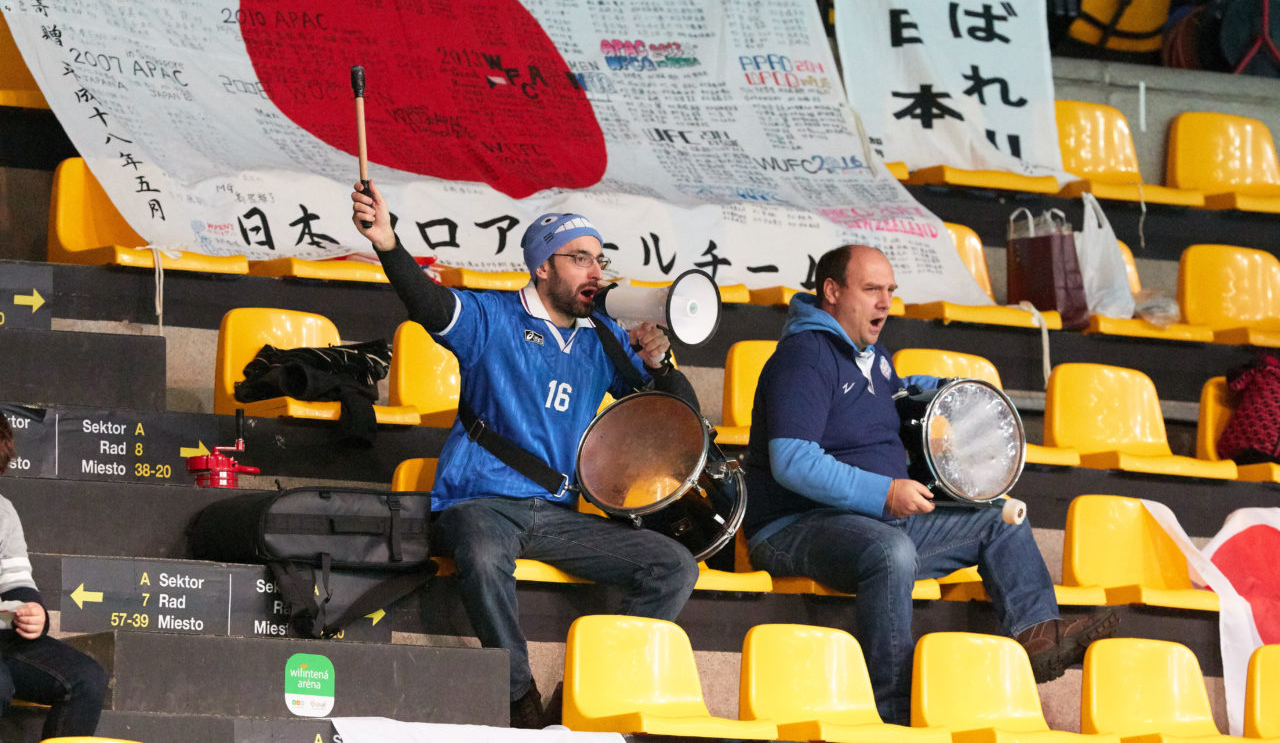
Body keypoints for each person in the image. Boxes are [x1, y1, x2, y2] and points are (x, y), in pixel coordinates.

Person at [351, 182, 700, 729]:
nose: (595, 271)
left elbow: (679, 424)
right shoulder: (493, 318)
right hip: (481, 499)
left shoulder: (603, 336)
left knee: (673, 566)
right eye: (580, 258)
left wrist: (661, 365)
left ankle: (589, 696)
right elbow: (431, 303)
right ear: (542, 266)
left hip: (559, 514)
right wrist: (388, 244)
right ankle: (519, 697)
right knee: (484, 552)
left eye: (599, 259)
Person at [743, 244, 1119, 725]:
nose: (885, 302)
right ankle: (893, 710)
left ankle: (1038, 635)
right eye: (872, 289)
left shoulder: (873, 357)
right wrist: (883, 492)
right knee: (890, 552)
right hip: (794, 528)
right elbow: (792, 461)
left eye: (891, 291)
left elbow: (894, 396)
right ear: (832, 292)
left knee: (997, 519)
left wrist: (944, 391)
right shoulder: (804, 357)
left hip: (872, 521)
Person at [0, 414, 109, 737]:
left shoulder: (3, 512)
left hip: (4, 638)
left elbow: (17, 583)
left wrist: (33, 615)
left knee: (87, 678)